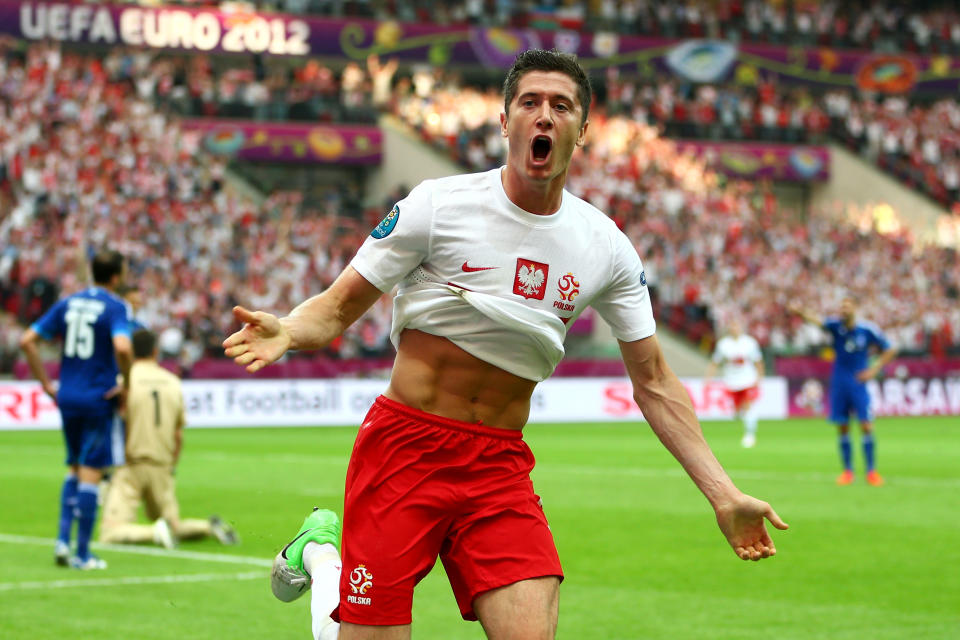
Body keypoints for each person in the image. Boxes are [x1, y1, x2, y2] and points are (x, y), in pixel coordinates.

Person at [225, 49, 787, 640]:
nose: (544, 116)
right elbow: (337, 308)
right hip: (404, 451)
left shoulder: (607, 247)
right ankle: (322, 555)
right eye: (529, 103)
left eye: (561, 106)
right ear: (504, 121)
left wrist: (723, 495)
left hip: (497, 465)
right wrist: (289, 329)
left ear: (583, 130)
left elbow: (653, 382)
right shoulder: (437, 206)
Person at [19, 250, 133, 570]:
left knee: (72, 467)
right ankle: (82, 554)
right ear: (115, 277)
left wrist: (44, 382)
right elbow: (123, 346)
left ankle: (61, 540)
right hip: (98, 396)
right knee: (90, 473)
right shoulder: (115, 306)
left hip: (67, 395)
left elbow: (27, 340)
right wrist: (126, 379)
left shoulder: (68, 302)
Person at [99, 329, 238, 548]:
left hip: (132, 465)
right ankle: (208, 527)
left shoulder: (123, 381)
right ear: (155, 351)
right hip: (162, 465)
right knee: (173, 524)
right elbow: (178, 434)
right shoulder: (173, 382)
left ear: (133, 352)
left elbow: (114, 426)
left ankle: (153, 533)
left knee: (110, 531)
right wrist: (170, 465)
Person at [788, 298, 897, 486]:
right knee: (843, 426)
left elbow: (890, 348)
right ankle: (848, 471)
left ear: (855, 308)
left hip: (858, 383)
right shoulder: (835, 326)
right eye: (842, 307)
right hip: (839, 382)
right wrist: (801, 312)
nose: (843, 310)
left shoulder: (867, 330)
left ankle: (871, 471)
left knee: (866, 425)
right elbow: (817, 320)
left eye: (847, 307)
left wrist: (873, 370)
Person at [705, 319, 765, 448]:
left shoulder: (749, 343)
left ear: (741, 328)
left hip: (748, 379)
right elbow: (715, 362)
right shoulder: (723, 344)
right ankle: (744, 423)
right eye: (732, 327)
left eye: (737, 326)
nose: (734, 329)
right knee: (737, 411)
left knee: (748, 406)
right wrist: (708, 379)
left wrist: (759, 378)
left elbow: (758, 361)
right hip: (731, 381)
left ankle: (750, 435)